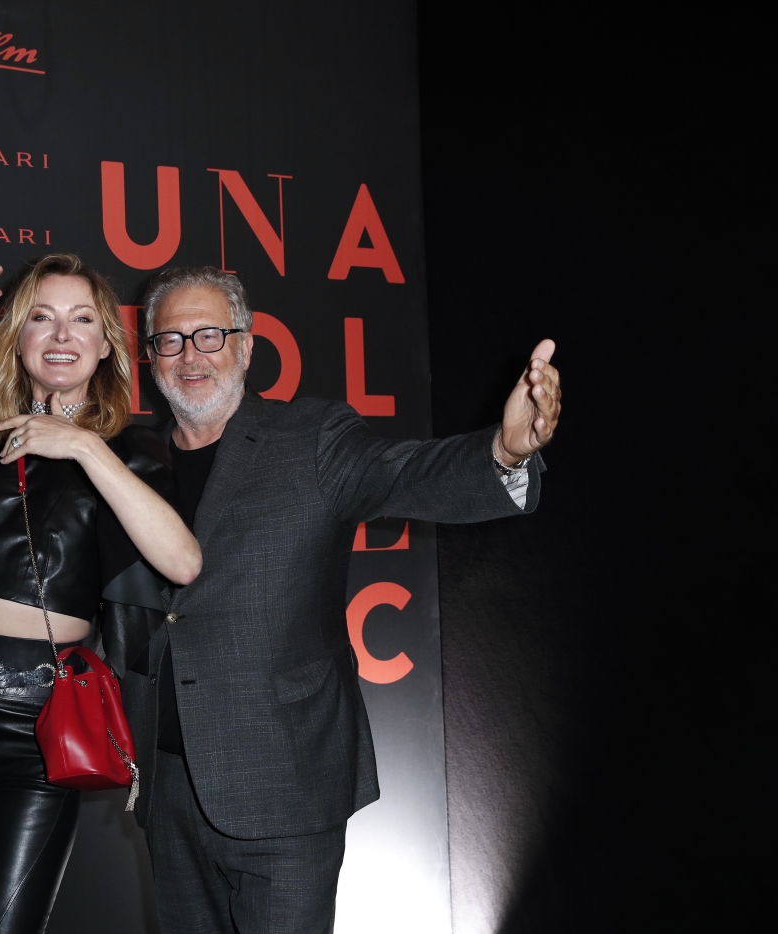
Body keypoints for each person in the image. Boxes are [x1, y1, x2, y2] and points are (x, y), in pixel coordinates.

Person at [120, 266, 562, 934]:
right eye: (170, 340)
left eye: (210, 335)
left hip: (288, 783)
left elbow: (406, 473)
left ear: (246, 347)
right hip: (169, 787)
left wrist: (503, 451)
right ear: (150, 357)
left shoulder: (312, 436)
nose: (191, 356)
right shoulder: (132, 461)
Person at [0, 254, 202, 934]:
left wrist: (84, 447)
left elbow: (182, 562)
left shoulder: (132, 449)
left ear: (105, 345)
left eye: (82, 320)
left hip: (35, 727)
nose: (62, 335)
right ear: (17, 336)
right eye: (42, 317)